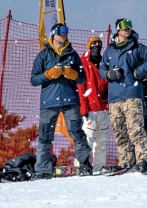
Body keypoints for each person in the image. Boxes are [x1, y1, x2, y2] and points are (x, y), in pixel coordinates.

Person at [29, 22, 93, 179]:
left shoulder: (73, 55)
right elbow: (34, 79)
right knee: (45, 135)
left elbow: (82, 78)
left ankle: (84, 164)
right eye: (60, 31)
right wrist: (49, 74)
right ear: (53, 34)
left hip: (70, 100)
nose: (64, 34)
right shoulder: (43, 55)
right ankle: (43, 170)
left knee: (77, 133)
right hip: (49, 102)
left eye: (65, 31)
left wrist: (74, 75)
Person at [99, 18, 147, 173]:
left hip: (132, 94)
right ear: (118, 30)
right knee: (119, 132)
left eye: (130, 27)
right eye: (125, 27)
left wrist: (140, 71)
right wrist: (109, 74)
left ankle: (145, 160)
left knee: (136, 129)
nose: (128, 29)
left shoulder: (136, 47)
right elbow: (101, 70)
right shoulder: (109, 50)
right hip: (114, 98)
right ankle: (126, 161)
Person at [77, 36, 109, 172]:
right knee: (88, 139)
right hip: (90, 108)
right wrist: (83, 108)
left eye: (99, 44)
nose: (97, 46)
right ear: (89, 46)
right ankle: (80, 165)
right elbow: (81, 87)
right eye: (94, 44)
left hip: (104, 108)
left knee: (101, 141)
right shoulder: (83, 62)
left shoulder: (104, 62)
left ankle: (99, 166)